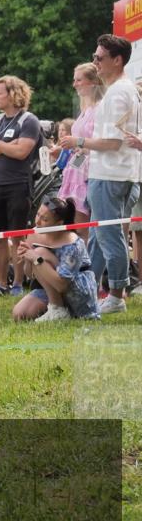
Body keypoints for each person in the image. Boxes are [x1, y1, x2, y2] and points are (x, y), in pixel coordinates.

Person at [83, 34, 142, 314]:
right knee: (99, 236)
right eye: (94, 57)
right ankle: (87, 291)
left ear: (117, 60)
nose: (95, 63)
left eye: (99, 58)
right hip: (113, 173)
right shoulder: (121, 90)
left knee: (109, 236)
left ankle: (117, 295)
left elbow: (112, 142)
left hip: (112, 176)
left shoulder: (120, 91)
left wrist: (79, 143)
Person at [0, 75, 42, 296]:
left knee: (17, 237)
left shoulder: (28, 120)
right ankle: (1, 284)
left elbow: (22, 152)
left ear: (13, 94)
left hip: (19, 184)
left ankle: (17, 283)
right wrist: (9, 145)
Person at [12, 197, 100, 322]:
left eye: (45, 219)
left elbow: (62, 285)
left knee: (40, 252)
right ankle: (57, 308)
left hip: (77, 291)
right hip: (49, 288)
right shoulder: (34, 234)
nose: (37, 222)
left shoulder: (73, 243)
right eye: (38, 215)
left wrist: (36, 258)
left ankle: (58, 309)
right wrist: (27, 257)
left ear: (59, 223)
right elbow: (29, 275)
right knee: (20, 314)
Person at [57, 63, 106, 240]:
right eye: (74, 80)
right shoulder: (86, 108)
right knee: (75, 225)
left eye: (79, 80)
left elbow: (104, 143)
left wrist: (76, 143)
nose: (75, 84)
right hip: (76, 170)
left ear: (93, 82)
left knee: (84, 226)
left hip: (89, 171)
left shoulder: (101, 108)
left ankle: (88, 264)